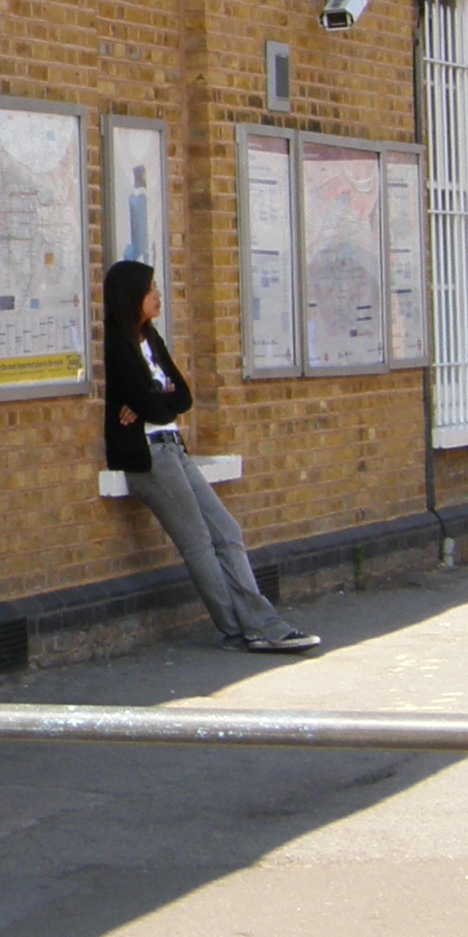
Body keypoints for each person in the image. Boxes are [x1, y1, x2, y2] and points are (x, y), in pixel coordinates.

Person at [101, 259, 316, 655]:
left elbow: (181, 398)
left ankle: (256, 625)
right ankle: (248, 627)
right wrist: (152, 398)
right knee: (198, 541)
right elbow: (159, 407)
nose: (158, 296)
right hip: (148, 456)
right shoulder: (117, 344)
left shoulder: (150, 339)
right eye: (150, 290)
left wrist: (150, 395)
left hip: (173, 446)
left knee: (227, 531)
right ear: (131, 296)